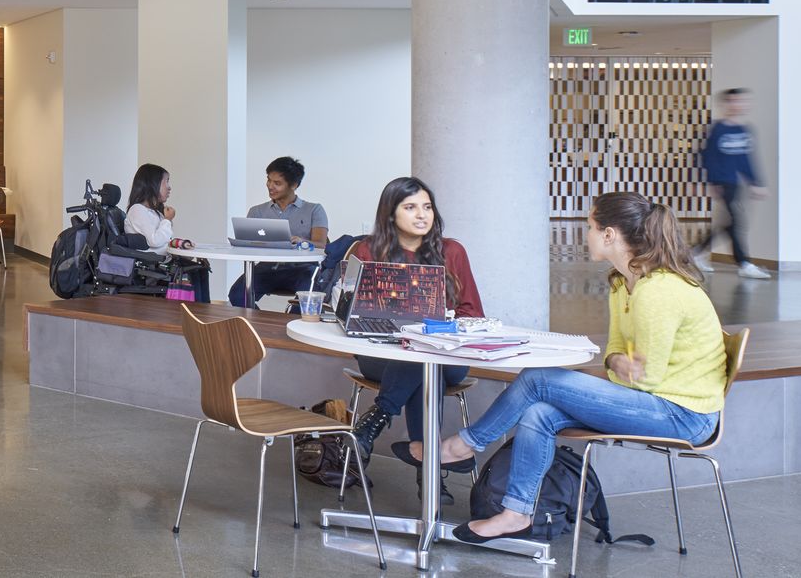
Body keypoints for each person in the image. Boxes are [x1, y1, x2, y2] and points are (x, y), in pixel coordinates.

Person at [444, 192, 726, 544]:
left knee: (537, 380)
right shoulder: (623, 284)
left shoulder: (659, 291)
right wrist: (616, 363)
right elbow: (616, 351)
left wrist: (621, 368)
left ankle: (464, 445)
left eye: (590, 227)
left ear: (610, 235)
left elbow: (647, 378)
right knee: (540, 413)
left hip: (684, 414)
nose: (585, 235)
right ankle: (516, 513)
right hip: (653, 401)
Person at [348, 176, 483, 470]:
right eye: (410, 207)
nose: (422, 215)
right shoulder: (368, 252)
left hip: (446, 354)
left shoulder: (452, 252)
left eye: (427, 207)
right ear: (390, 213)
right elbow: (352, 311)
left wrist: (440, 328)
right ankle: (431, 477)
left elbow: (472, 314)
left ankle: (374, 421)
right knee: (423, 366)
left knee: (425, 356)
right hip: (382, 353)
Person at [227, 155, 330, 307]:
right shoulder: (257, 212)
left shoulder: (314, 210)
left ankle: (292, 328)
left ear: (294, 185)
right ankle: (259, 326)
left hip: (302, 269)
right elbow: (247, 247)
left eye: (277, 183)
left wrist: (303, 241)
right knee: (237, 295)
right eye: (269, 180)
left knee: (306, 303)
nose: (270, 186)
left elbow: (321, 245)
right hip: (267, 268)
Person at [695, 88, 770, 279]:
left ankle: (695, 253)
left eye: (742, 101)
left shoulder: (744, 130)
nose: (739, 105)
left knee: (727, 224)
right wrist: (711, 182)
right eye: (734, 101)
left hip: (738, 185)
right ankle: (744, 263)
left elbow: (745, 159)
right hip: (723, 182)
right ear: (726, 104)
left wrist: (756, 182)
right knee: (736, 222)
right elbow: (707, 157)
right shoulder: (717, 129)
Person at [124, 164, 209, 302]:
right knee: (194, 270)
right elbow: (154, 240)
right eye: (166, 182)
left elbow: (163, 239)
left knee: (200, 268)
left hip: (161, 261)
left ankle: (202, 314)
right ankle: (196, 314)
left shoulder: (155, 212)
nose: (169, 187)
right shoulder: (137, 210)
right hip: (151, 266)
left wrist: (180, 244)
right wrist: (167, 220)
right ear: (152, 184)